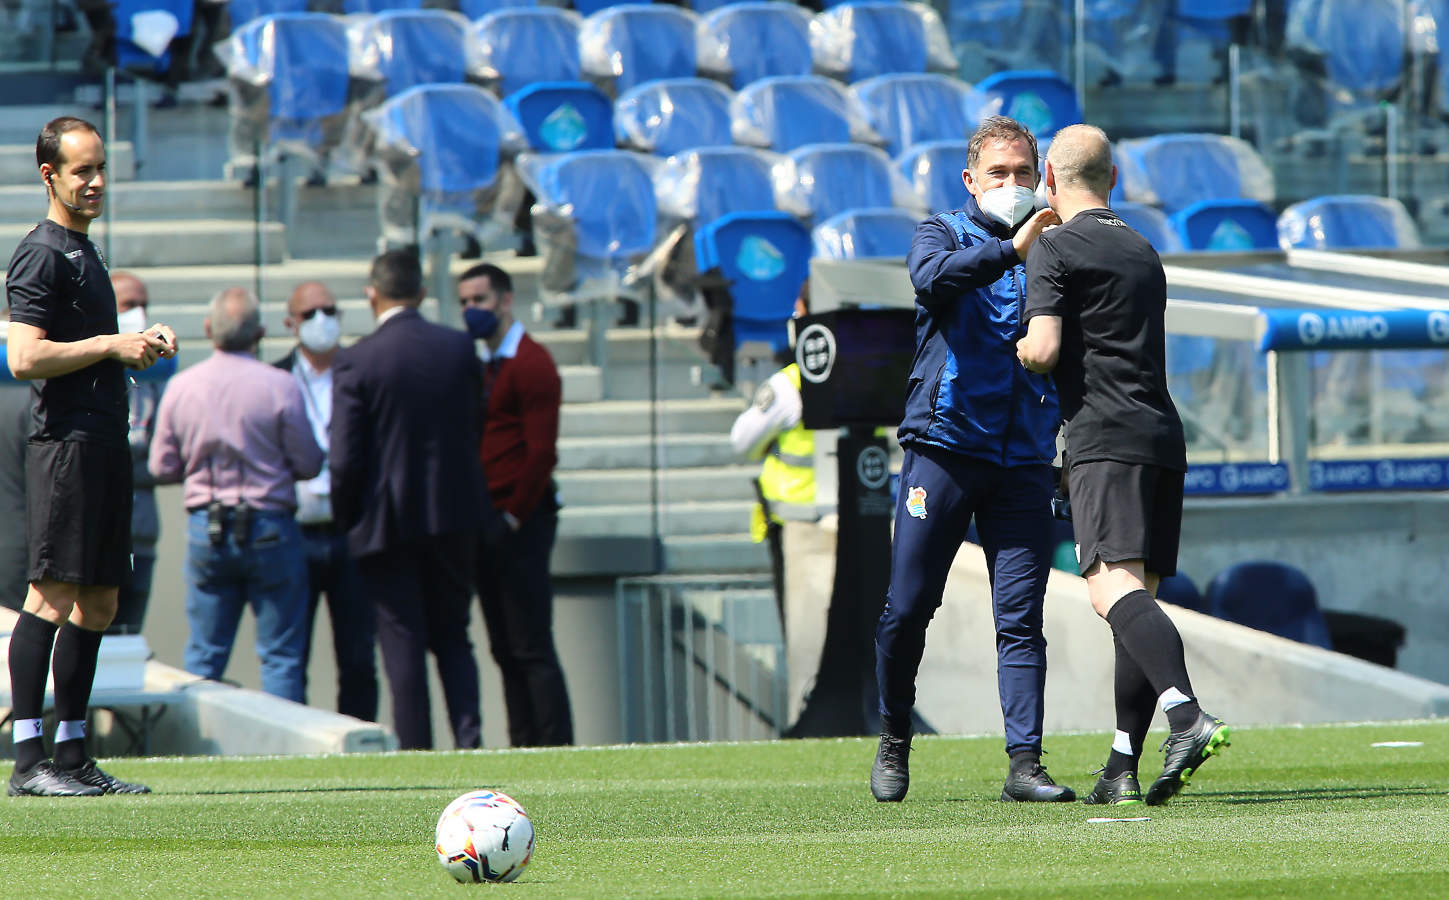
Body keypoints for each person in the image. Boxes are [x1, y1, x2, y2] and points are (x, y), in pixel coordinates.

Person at [1017, 123, 1231, 807]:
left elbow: (1044, 350)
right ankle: (1119, 766)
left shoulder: (1052, 246)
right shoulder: (1142, 249)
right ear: (1113, 181)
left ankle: (1186, 716)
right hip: (1160, 437)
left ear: (1049, 181)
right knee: (1135, 603)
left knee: (1109, 593)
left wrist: (1016, 348)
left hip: (1102, 439)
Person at [871, 116, 1072, 804]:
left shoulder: (1054, 244)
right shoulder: (941, 234)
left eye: (1023, 173)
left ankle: (1024, 763)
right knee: (908, 607)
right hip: (945, 449)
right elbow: (931, 281)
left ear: (1041, 175)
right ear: (970, 180)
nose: (1011, 184)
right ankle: (894, 735)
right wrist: (1012, 251)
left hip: (1022, 461)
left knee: (1020, 619)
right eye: (998, 173)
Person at [5, 116, 176, 796]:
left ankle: (73, 756)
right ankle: (27, 762)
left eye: (100, 167)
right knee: (48, 599)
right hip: (66, 448)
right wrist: (111, 344)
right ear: (50, 176)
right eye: (82, 170)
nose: (97, 180)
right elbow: (24, 357)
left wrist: (138, 341)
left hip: (104, 445)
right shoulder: (42, 252)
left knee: (99, 603)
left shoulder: (82, 249)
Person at [331, 251, 491, 751]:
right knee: (454, 637)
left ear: (371, 294)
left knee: (401, 644)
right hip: (455, 515)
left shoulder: (358, 358)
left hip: (387, 523)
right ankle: (469, 742)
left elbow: (344, 458)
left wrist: (349, 517)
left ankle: (417, 752)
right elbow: (476, 425)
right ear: (422, 293)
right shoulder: (459, 348)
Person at [149, 287, 322, 704]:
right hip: (270, 525)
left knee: (206, 654)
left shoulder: (183, 387)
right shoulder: (280, 386)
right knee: (281, 656)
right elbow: (310, 464)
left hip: (207, 525)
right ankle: (288, 754)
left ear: (208, 329)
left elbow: (161, 467)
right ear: (260, 333)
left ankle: (200, 750)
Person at [457, 262, 573, 747]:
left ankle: (551, 744)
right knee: (504, 646)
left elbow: (541, 451)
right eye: (464, 302)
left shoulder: (531, 362)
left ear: (505, 301)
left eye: (479, 300)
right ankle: (523, 742)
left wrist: (513, 515)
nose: (470, 311)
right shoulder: (482, 363)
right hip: (489, 519)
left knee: (529, 643)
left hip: (520, 521)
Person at [272, 281, 378, 723]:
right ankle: (294, 744)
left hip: (351, 530)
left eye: (329, 310)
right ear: (290, 323)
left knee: (357, 655)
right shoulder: (275, 377)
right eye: (310, 312)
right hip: (295, 530)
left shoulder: (361, 371)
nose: (322, 320)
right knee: (289, 654)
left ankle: (358, 740)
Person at [728, 287, 814, 625]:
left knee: (800, 632)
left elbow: (742, 441)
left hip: (795, 526)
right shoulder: (867, 374)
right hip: (857, 521)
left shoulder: (788, 386)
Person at [110, 271, 164, 635]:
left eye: (144, 305)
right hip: (95, 536)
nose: (140, 315)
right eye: (130, 305)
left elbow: (166, 455)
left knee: (130, 636)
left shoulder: (157, 376)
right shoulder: (82, 369)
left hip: (141, 532)